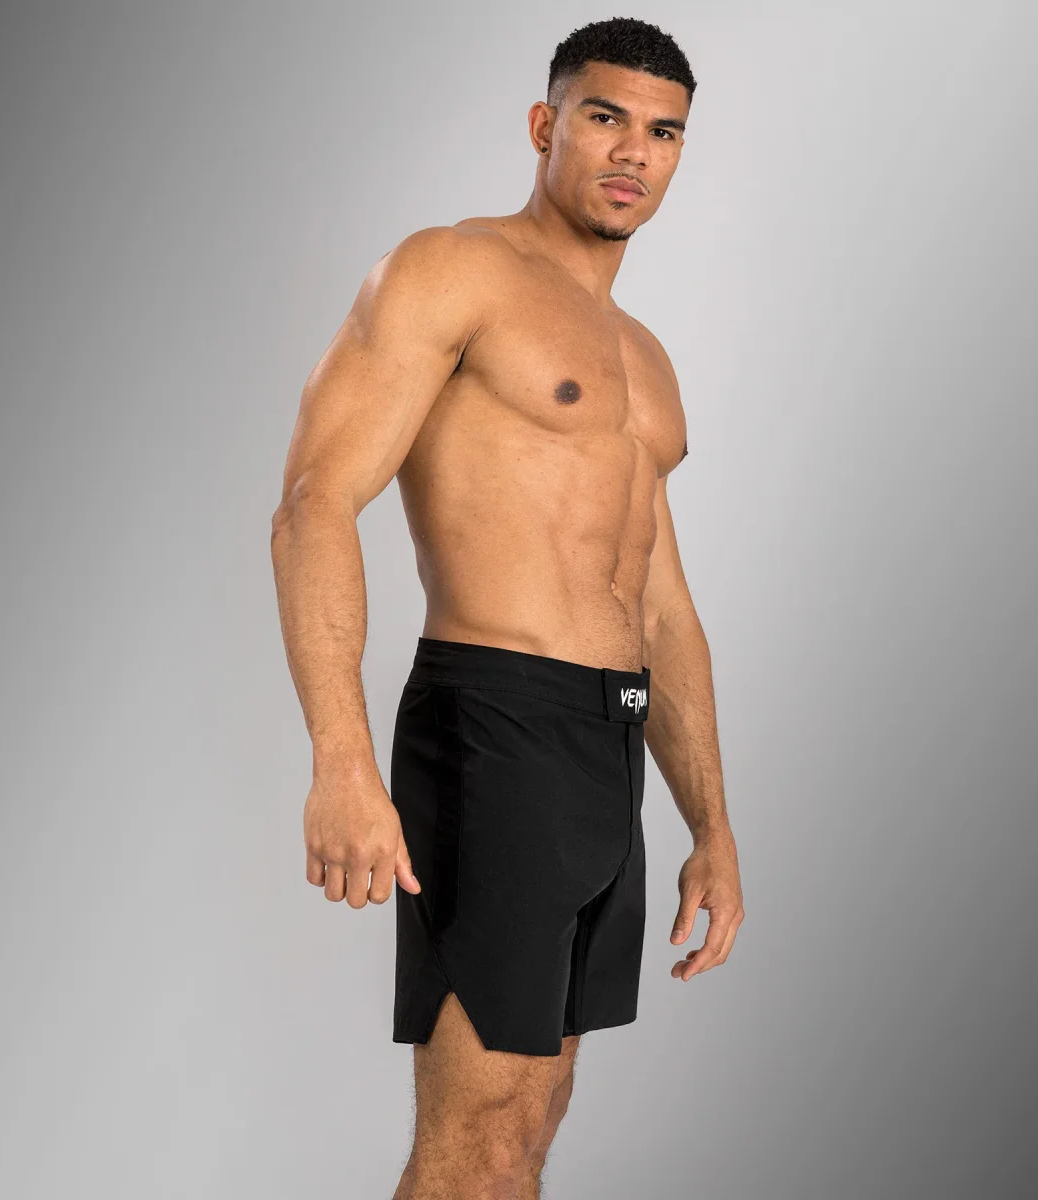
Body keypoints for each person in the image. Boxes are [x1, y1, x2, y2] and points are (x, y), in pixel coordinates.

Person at [270, 17, 744, 1199]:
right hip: (493, 725)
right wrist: (341, 759)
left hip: (609, 743)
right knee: (477, 1134)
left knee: (528, 1128)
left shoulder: (646, 360)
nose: (633, 152)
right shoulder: (452, 272)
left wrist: (713, 825)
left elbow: (663, 610)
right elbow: (317, 499)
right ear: (544, 125)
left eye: (663, 133)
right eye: (605, 118)